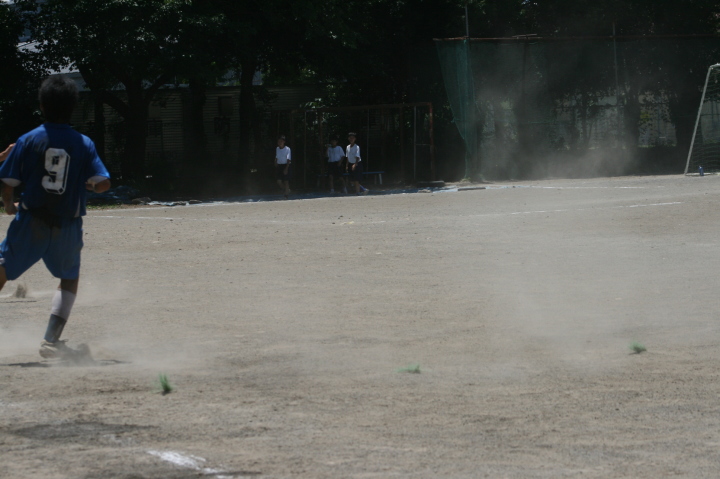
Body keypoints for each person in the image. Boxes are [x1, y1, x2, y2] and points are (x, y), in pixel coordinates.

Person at [0, 75, 111, 360]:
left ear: (42, 105)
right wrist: (90, 186)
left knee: (2, 269)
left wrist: (9, 204)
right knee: (69, 278)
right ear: (73, 107)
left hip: (31, 221)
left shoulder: (28, 140)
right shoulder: (83, 143)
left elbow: (8, 182)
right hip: (67, 225)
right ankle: (51, 339)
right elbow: (103, 183)